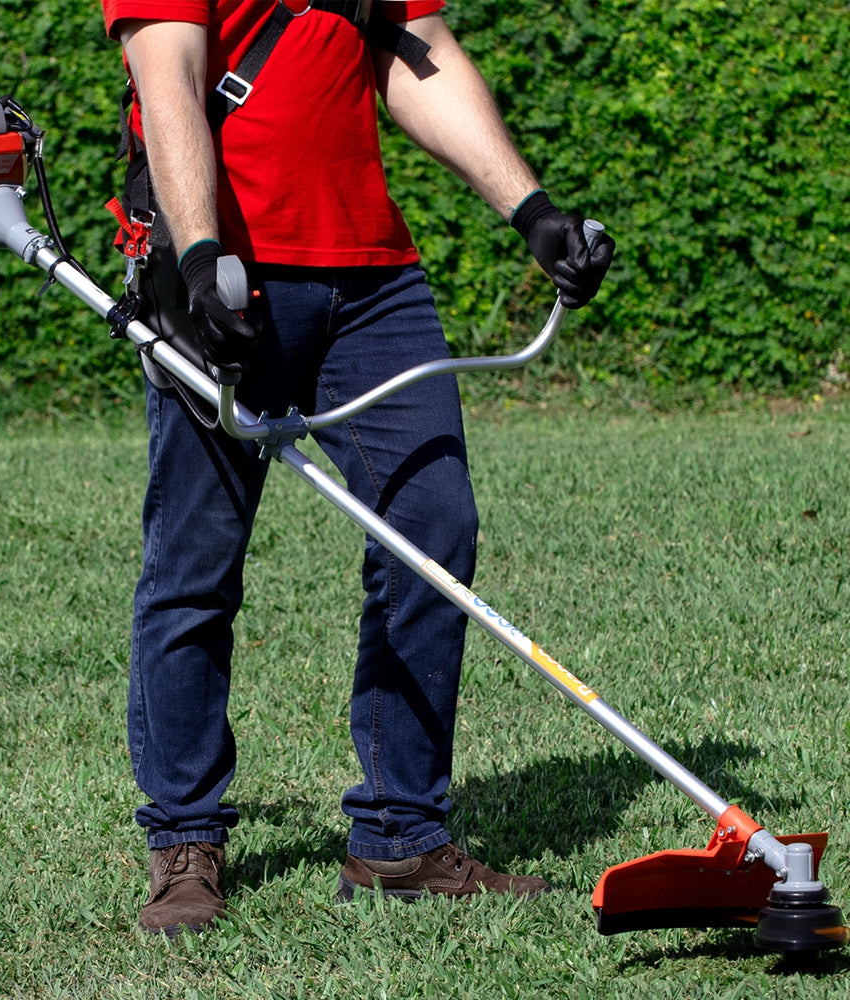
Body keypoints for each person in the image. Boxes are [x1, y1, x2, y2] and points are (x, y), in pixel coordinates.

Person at [100, 0, 614, 938]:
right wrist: (199, 245)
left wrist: (532, 211)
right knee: (195, 564)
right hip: (229, 270)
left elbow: (418, 55)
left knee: (434, 527)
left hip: (375, 279)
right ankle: (184, 841)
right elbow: (165, 72)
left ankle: (400, 837)